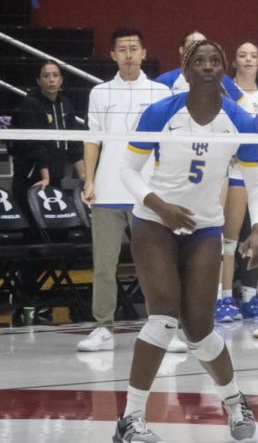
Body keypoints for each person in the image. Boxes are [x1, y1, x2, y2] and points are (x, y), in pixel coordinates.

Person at [111, 39, 258, 443]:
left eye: (216, 60)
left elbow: (256, 181)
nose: (209, 66)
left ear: (225, 69)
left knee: (199, 329)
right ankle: (130, 420)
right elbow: (127, 169)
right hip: (154, 223)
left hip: (205, 228)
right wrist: (159, 206)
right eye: (200, 61)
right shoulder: (162, 112)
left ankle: (234, 403)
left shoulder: (241, 121)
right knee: (163, 317)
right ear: (185, 69)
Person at [76, 27, 171, 353]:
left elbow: (168, 145)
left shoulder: (160, 93)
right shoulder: (100, 92)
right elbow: (92, 139)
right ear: (113, 55)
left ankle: (161, 327)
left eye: (134, 48)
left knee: (155, 264)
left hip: (147, 194)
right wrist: (89, 180)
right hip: (107, 193)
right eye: (122, 49)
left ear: (144, 53)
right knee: (104, 263)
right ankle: (102, 327)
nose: (129, 54)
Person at [215, 41, 258, 324]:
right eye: (242, 55)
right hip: (234, 172)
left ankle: (253, 295)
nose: (248, 59)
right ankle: (223, 298)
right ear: (235, 61)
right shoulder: (226, 92)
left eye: (253, 55)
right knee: (229, 238)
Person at [9, 60, 85, 205]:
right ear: (39, 81)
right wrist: (45, 177)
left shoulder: (66, 104)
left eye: (55, 75)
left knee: (56, 224)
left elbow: (74, 142)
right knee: (31, 224)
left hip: (55, 176)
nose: (51, 80)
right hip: (31, 177)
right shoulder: (30, 103)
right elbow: (35, 143)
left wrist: (83, 175)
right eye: (46, 76)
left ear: (61, 80)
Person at [155, 29, 240, 98]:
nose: (197, 50)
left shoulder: (221, 78)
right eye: (192, 45)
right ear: (182, 50)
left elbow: (243, 107)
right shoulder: (165, 80)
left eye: (202, 46)